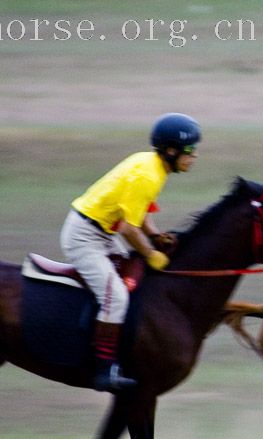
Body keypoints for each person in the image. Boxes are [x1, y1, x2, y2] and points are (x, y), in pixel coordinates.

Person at [60, 113, 200, 392]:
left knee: (134, 280)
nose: (193, 157)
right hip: (85, 238)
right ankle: (103, 369)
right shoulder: (147, 175)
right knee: (117, 297)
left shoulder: (153, 166)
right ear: (170, 150)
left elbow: (139, 213)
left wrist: (155, 235)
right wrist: (150, 253)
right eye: (188, 151)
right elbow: (127, 228)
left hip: (101, 232)